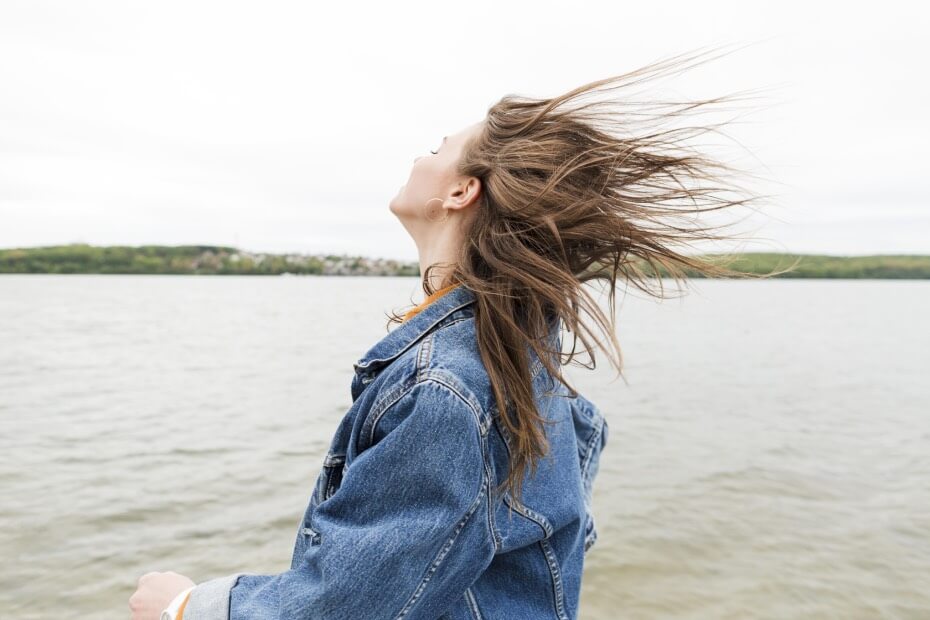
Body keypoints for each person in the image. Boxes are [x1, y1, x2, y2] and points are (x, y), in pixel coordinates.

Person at [130, 45, 780, 620]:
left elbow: (346, 607)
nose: (423, 154)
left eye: (439, 147)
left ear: (462, 191)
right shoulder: (517, 358)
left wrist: (185, 606)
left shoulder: (450, 381)